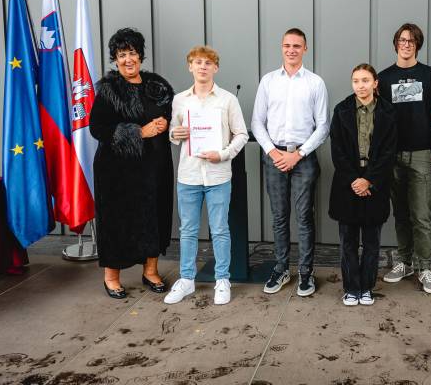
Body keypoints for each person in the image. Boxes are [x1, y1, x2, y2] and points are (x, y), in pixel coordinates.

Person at [90, 28, 174, 299]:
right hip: (117, 172)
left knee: (154, 216)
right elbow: (97, 128)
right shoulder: (109, 90)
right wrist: (139, 132)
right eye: (122, 54)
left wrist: (166, 123)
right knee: (118, 221)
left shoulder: (158, 87)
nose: (128, 59)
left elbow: (173, 114)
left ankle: (150, 271)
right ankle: (111, 277)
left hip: (154, 167)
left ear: (140, 55)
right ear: (115, 59)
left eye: (132, 53)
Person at [163, 46, 249, 306]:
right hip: (188, 175)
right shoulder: (180, 100)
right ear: (190, 67)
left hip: (218, 175)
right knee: (187, 230)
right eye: (198, 62)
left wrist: (222, 154)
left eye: (208, 63)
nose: (202, 66)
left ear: (215, 68)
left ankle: (222, 280)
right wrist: (174, 133)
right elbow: (172, 132)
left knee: (220, 229)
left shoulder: (227, 100)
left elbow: (241, 134)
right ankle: (186, 279)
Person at [251, 28, 330, 297]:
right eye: (287, 45)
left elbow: (323, 126)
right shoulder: (268, 81)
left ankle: (306, 272)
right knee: (279, 217)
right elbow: (257, 122)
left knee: (304, 217)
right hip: (274, 156)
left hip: (303, 158)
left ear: (305, 49)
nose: (291, 50)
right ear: (281, 47)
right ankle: (281, 268)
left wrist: (299, 154)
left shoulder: (315, 83)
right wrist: (273, 152)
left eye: (297, 45)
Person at [379, 23, 431, 294]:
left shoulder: (430, 75)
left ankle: (425, 267)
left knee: (422, 214)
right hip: (392, 155)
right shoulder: (384, 78)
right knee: (401, 213)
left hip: (421, 154)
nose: (406, 44)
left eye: (412, 41)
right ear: (396, 43)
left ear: (418, 45)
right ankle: (404, 262)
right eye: (402, 40)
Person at [328, 64, 397, 306]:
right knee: (348, 240)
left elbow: (389, 151)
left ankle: (366, 287)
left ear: (375, 83)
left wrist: (369, 180)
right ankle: (351, 288)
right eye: (356, 81)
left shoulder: (388, 111)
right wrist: (354, 179)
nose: (361, 85)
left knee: (371, 241)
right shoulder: (342, 110)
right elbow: (337, 150)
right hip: (347, 181)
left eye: (366, 80)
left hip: (375, 181)